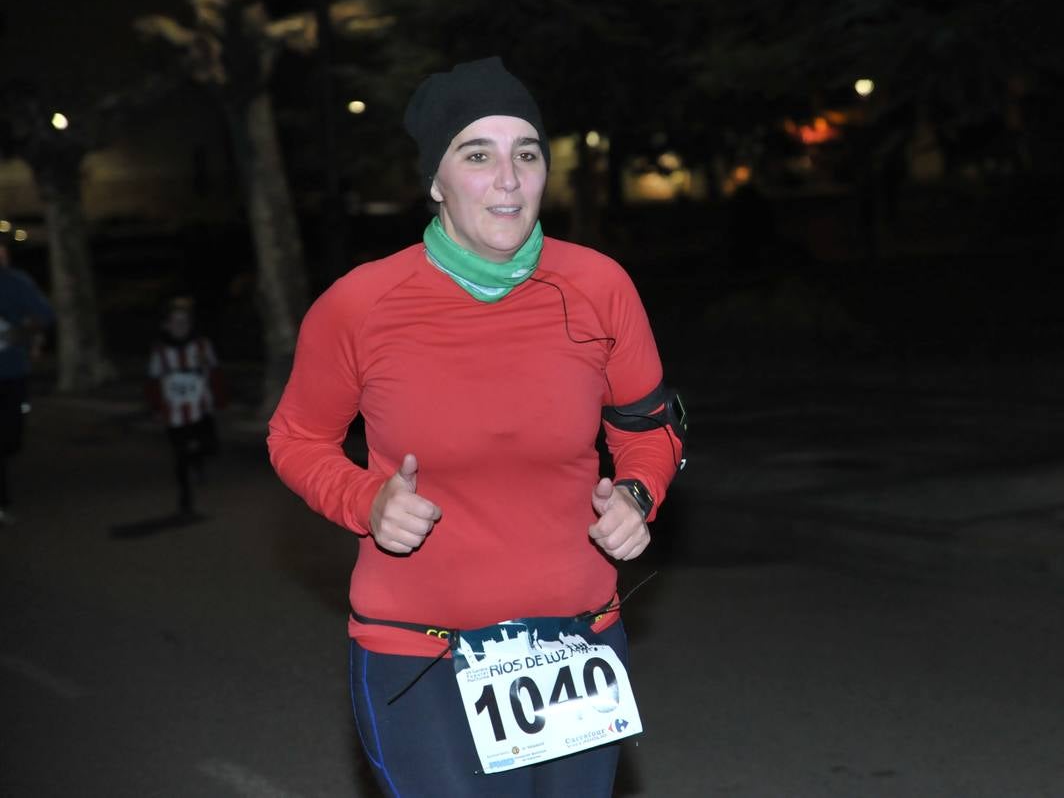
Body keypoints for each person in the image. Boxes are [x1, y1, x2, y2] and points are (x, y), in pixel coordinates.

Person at [267, 57, 685, 797]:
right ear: (435, 180)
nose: (509, 178)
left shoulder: (598, 286)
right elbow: (296, 438)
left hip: (575, 642)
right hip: (418, 652)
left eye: (526, 154)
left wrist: (637, 496)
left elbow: (650, 429)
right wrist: (367, 501)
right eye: (477, 155)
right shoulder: (361, 304)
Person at [146, 296, 224, 519]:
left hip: (201, 409)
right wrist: (155, 409)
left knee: (210, 447)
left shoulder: (202, 345)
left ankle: (197, 461)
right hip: (174, 413)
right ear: (166, 325)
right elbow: (152, 382)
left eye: (185, 322)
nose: (181, 327)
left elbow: (216, 372)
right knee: (179, 457)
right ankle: (185, 499)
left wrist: (220, 399)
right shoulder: (160, 352)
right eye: (176, 322)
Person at [0, 236, 53, 526]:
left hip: (11, 373)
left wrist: (20, 333)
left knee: (11, 437)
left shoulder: (16, 282)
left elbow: (44, 315)